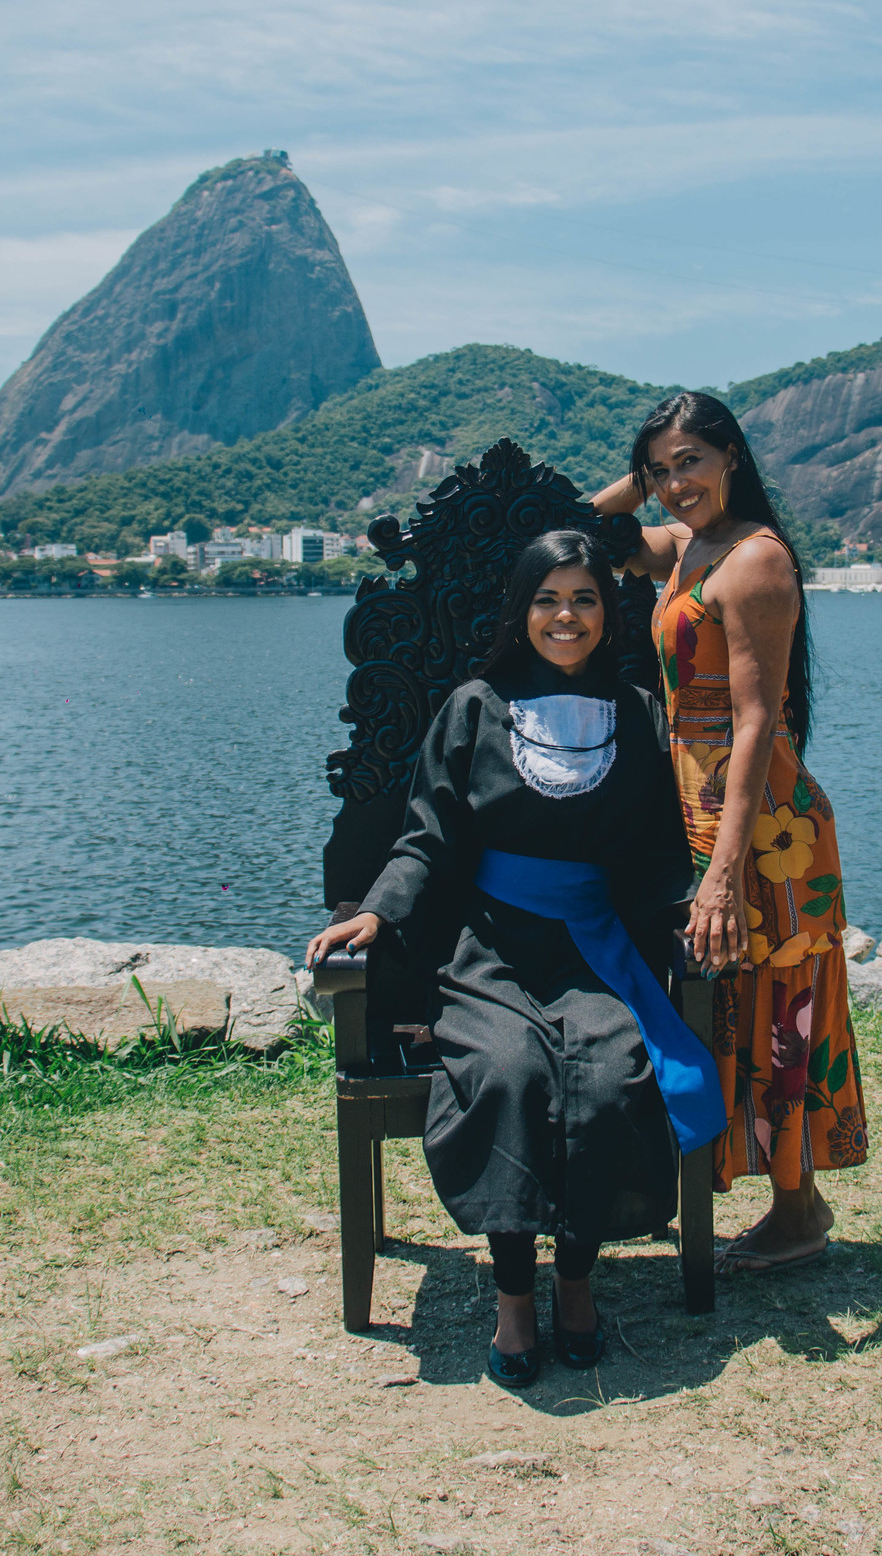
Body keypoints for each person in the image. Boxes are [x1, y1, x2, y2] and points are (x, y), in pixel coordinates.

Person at [307, 529, 723, 1385]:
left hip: (595, 951)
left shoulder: (639, 713)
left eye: (585, 599)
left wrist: (692, 912)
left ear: (609, 614)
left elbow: (653, 855)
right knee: (505, 1071)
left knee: (608, 1072)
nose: (565, 616)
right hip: (488, 948)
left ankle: (574, 1279)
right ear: (522, 610)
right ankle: (512, 1299)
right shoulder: (473, 706)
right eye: (548, 598)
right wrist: (377, 914)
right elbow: (427, 840)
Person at [593, 393, 868, 1273]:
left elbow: (757, 722)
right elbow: (588, 525)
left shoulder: (753, 562)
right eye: (661, 469)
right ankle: (795, 1203)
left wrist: (720, 872)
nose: (676, 484)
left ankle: (797, 1212)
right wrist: (640, 484)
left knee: (779, 1005)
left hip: (762, 821)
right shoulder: (688, 548)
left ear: (732, 459)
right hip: (701, 801)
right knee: (731, 1003)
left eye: (691, 463)